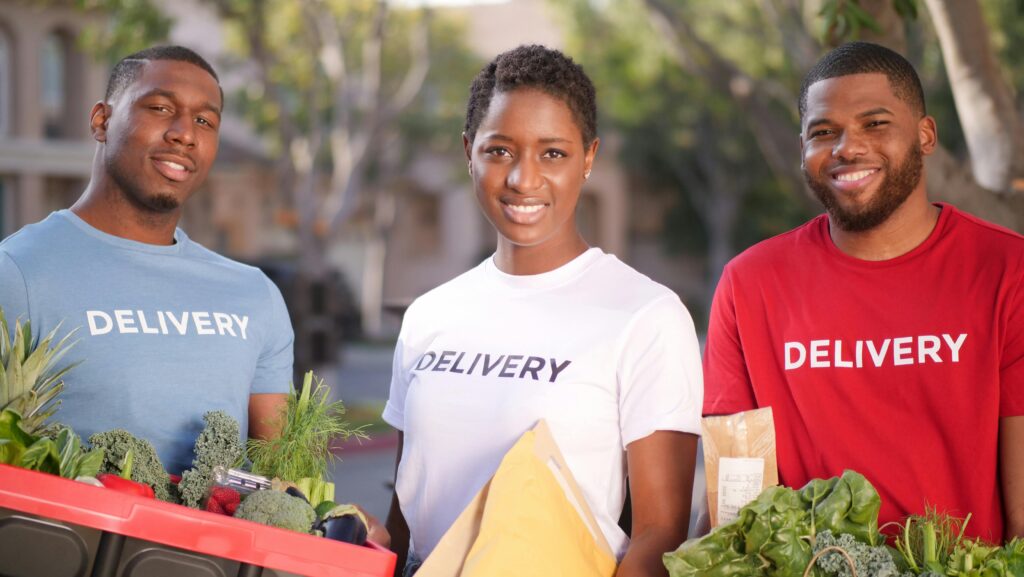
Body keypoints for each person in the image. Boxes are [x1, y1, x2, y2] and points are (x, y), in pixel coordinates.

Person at [382, 44, 703, 577]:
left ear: (589, 157)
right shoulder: (429, 316)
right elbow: (405, 510)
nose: (522, 180)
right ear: (469, 152)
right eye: (500, 151)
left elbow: (659, 535)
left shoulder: (646, 315)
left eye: (552, 153)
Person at [703, 41, 1024, 543]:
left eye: (875, 123)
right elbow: (736, 503)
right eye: (823, 132)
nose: (846, 147)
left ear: (925, 135)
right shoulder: (750, 284)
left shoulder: (1009, 271)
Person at [0, 46, 293, 476]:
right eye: (160, 107)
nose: (184, 134)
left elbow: (283, 477)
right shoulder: (18, 272)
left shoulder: (255, 295)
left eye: (204, 121)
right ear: (102, 121)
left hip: (213, 545)